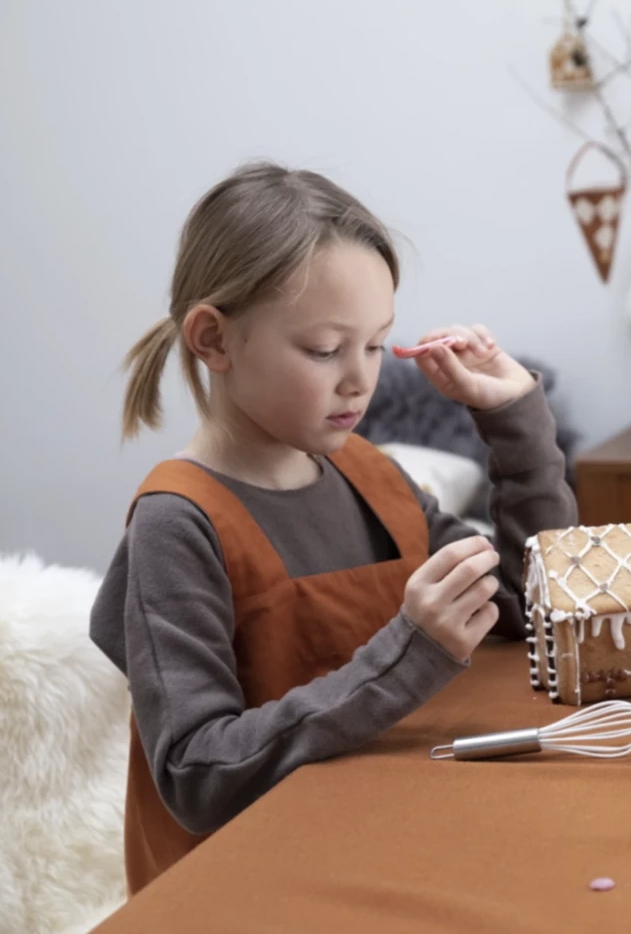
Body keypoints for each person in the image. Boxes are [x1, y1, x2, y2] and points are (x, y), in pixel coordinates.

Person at [91, 162, 575, 891]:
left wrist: (517, 423)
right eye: (325, 349)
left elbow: (525, 604)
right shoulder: (177, 526)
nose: (361, 379)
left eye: (376, 344)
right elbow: (196, 772)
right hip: (250, 889)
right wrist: (409, 653)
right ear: (214, 340)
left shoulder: (371, 474)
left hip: (382, 847)